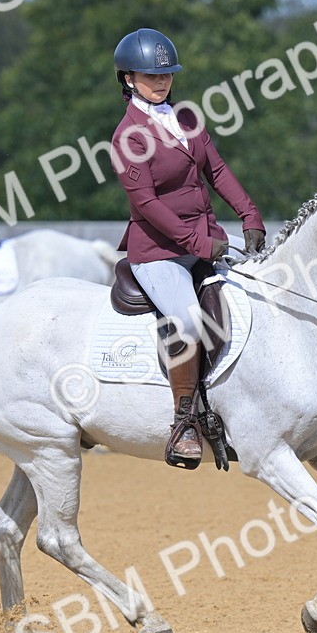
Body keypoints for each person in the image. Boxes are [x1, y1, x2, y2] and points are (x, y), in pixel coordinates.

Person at [109, 28, 266, 468]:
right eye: (150, 75)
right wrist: (199, 243)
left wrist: (250, 215)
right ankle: (185, 423)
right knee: (187, 320)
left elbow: (217, 170)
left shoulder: (186, 118)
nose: (161, 82)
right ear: (128, 78)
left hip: (205, 238)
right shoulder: (127, 137)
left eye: (166, 74)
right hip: (158, 251)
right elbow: (146, 205)